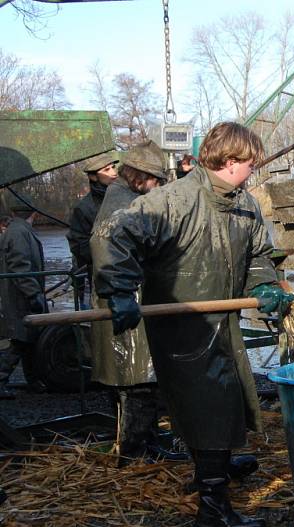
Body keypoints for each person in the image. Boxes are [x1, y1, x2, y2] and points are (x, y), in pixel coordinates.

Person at [92, 122, 294, 527]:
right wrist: (118, 290)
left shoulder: (244, 203)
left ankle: (214, 469)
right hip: (183, 324)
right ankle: (213, 510)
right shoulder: (175, 200)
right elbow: (114, 236)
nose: (252, 171)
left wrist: (266, 284)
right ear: (231, 160)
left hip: (224, 320)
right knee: (208, 404)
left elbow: (258, 253)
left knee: (227, 399)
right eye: (250, 163)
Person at [89, 141, 169, 464]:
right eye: (156, 180)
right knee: (136, 382)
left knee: (137, 382)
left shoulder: (124, 198)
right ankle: (136, 452)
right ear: (140, 177)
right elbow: (103, 247)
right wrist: (120, 293)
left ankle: (143, 441)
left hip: (126, 301)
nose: (159, 187)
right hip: (125, 304)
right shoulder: (123, 207)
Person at [0, 193, 47, 399]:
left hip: (19, 293)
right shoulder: (19, 232)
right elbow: (20, 267)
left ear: (13, 213)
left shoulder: (17, 229)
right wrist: (34, 294)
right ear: (34, 214)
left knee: (30, 337)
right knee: (21, 339)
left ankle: (34, 379)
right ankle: (1, 379)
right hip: (21, 296)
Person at [66, 152, 119, 306]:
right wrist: (110, 253)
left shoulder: (128, 197)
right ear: (93, 177)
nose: (114, 173)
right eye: (107, 170)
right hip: (101, 278)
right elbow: (78, 246)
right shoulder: (84, 208)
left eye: (114, 167)